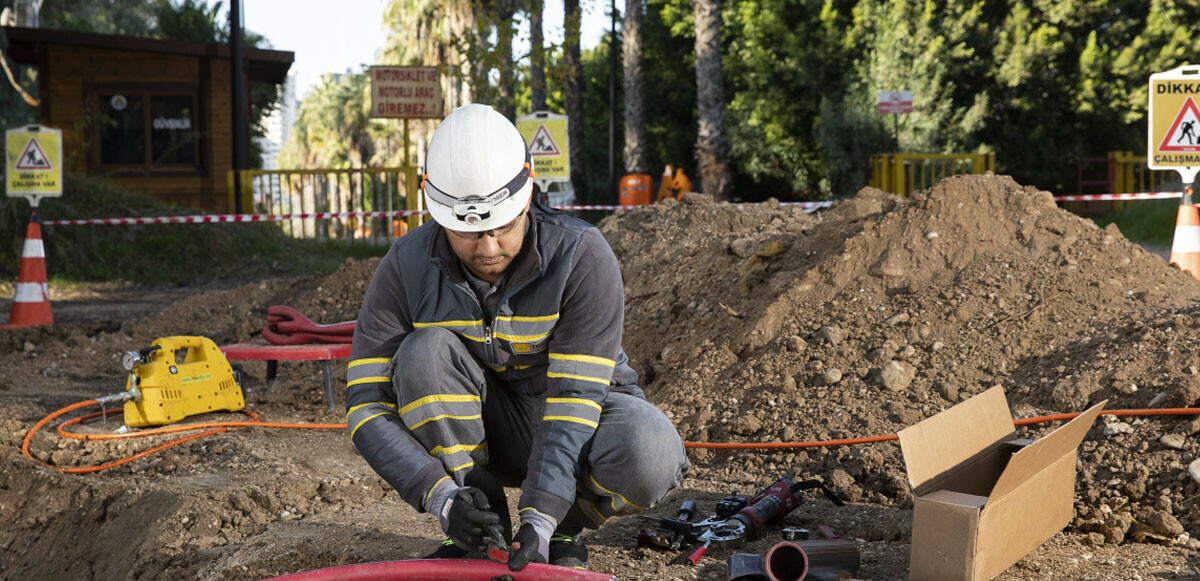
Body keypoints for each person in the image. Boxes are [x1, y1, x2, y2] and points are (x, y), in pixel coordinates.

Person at [345, 104, 689, 572]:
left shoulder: (580, 256)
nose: (487, 248)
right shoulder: (406, 267)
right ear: (435, 207)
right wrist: (443, 499)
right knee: (422, 354)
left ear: (528, 195)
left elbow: (573, 400)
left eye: (503, 225)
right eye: (467, 232)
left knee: (651, 451)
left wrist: (542, 518)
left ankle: (566, 522)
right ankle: (477, 521)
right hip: (487, 431)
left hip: (581, 426)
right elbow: (365, 406)